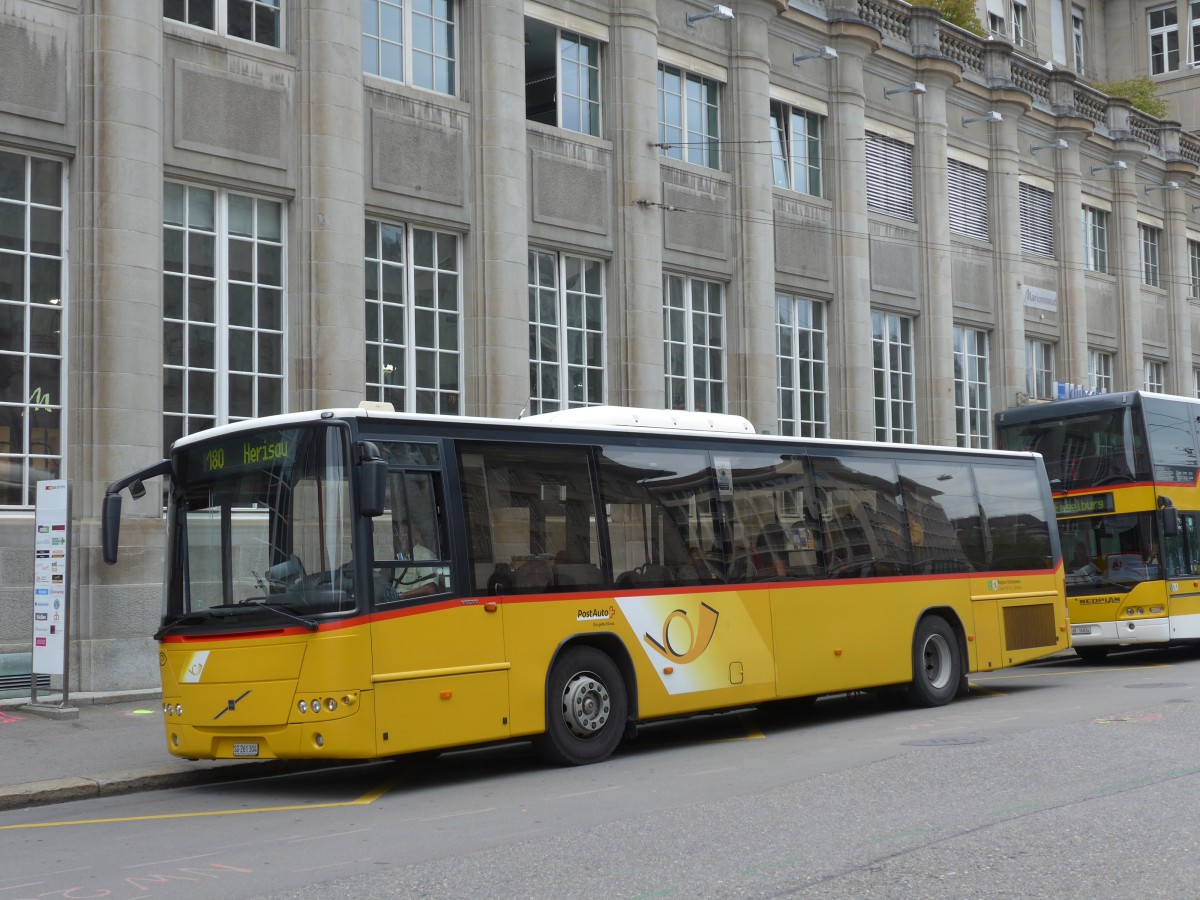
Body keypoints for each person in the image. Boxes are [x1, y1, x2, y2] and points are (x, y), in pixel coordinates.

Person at [395, 520, 440, 597]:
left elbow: (430, 589)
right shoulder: (402, 556)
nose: (400, 538)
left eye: (404, 534)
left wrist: (402, 596)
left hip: (411, 602)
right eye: (399, 534)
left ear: (417, 536)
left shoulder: (424, 555)